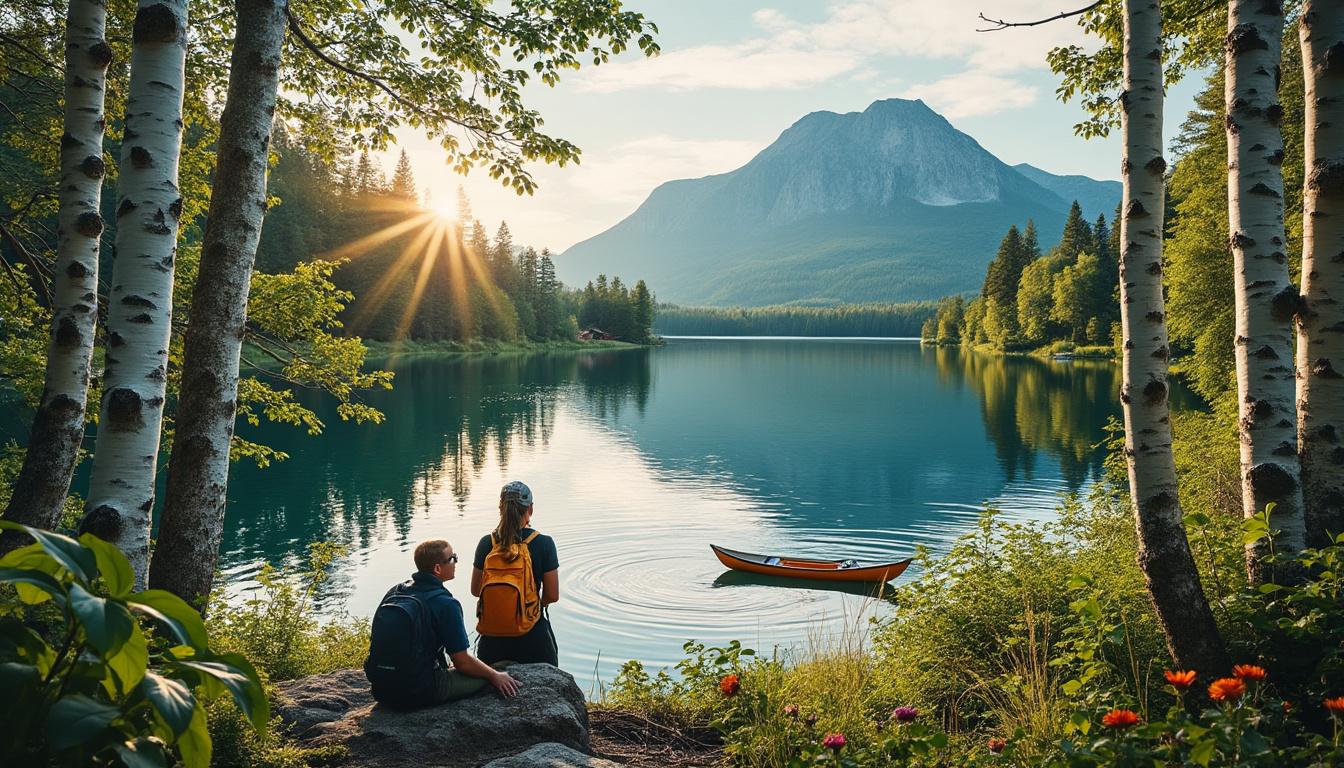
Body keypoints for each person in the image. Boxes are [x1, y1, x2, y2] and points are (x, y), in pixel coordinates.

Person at [364, 539, 520, 708]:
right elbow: (462, 662)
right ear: (438, 569)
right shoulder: (446, 603)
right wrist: (495, 676)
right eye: (452, 558)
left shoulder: (396, 592)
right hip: (420, 691)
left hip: (383, 689)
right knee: (501, 669)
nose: (456, 562)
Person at [472, 480, 560, 665]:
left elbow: (475, 590)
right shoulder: (544, 543)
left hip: (492, 641)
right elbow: (552, 595)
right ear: (530, 509)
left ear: (500, 508)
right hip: (532, 636)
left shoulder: (486, 543)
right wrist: (534, 604)